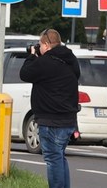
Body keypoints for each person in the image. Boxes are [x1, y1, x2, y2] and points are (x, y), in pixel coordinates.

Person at [20, 29, 80, 188]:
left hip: (51, 120)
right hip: (68, 120)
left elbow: (24, 74)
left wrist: (32, 56)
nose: (38, 47)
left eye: (40, 44)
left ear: (46, 45)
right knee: (59, 157)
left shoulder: (45, 62)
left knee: (53, 159)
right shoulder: (71, 59)